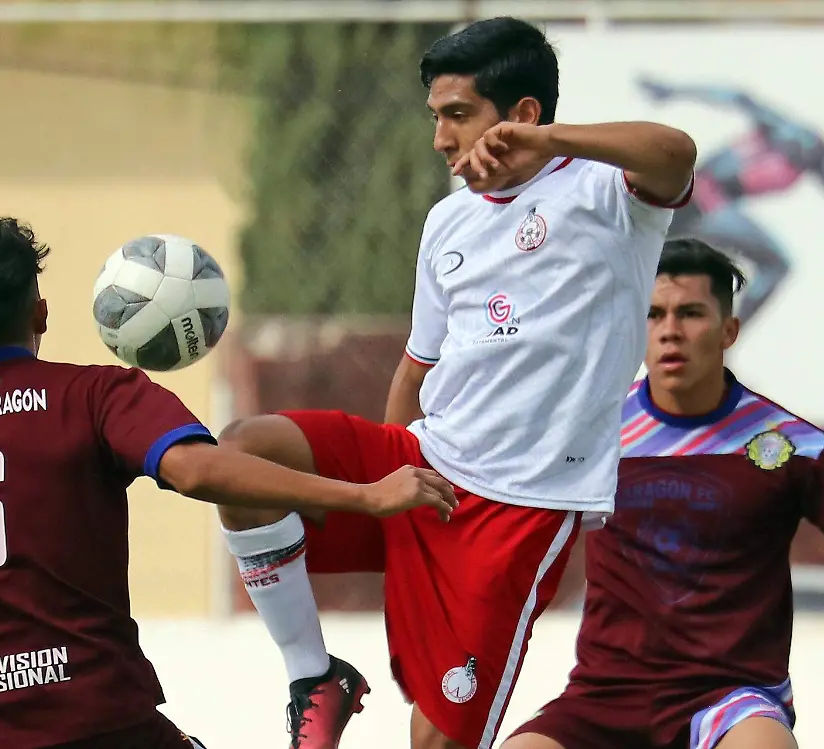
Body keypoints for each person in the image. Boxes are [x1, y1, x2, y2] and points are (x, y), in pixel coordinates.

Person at [0, 217, 456, 749]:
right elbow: (199, 470)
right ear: (41, 311)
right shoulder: (96, 397)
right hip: (92, 717)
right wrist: (363, 494)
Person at [215, 16, 697, 749]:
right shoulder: (447, 223)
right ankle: (316, 674)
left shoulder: (608, 195)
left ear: (524, 116)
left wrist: (555, 144)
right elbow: (420, 364)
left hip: (520, 508)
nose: (441, 138)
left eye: (458, 115)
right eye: (436, 117)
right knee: (246, 454)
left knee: (437, 739)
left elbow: (677, 152)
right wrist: (393, 468)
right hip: (424, 467)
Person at [505, 238, 817, 749]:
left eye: (691, 313)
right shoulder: (587, 434)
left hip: (733, 698)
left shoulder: (790, 445)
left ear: (729, 331)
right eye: (653, 314)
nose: (670, 331)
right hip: (605, 697)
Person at [637, 77, 824, 323]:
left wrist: (674, 90)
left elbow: (739, 97)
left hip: (698, 199)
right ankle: (723, 336)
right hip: (705, 201)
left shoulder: (797, 140)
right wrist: (675, 90)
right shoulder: (801, 141)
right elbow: (737, 96)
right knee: (777, 265)